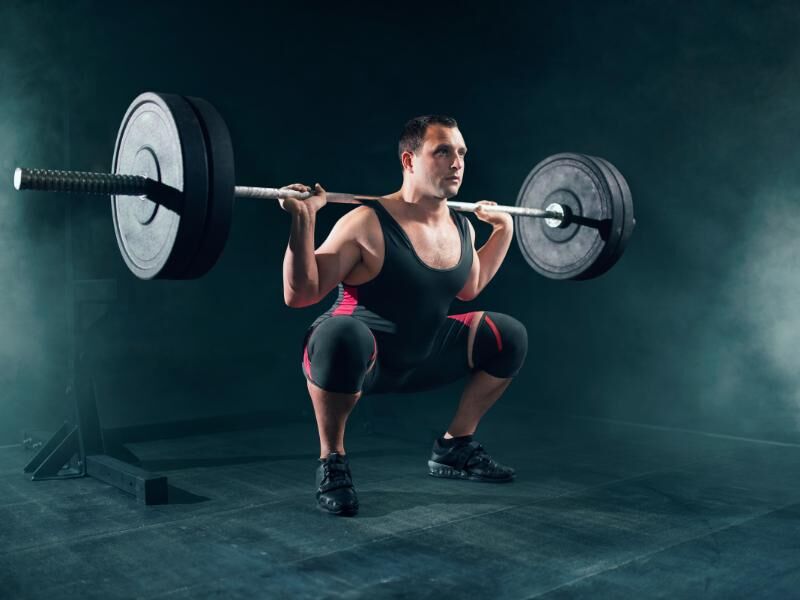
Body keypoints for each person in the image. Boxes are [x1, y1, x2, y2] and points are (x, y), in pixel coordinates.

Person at [280, 116, 528, 516]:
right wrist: (303, 220)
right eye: (443, 151)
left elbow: (470, 285)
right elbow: (300, 294)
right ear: (410, 161)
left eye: (461, 152)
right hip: (360, 359)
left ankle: (454, 447)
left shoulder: (461, 226)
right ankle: (332, 462)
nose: (457, 163)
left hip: (422, 356)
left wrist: (504, 231)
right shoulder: (366, 222)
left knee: (507, 335)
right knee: (341, 335)